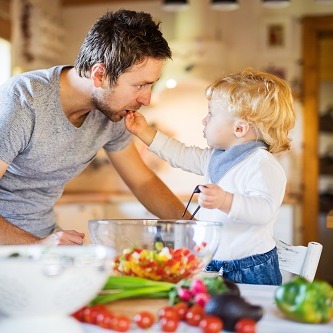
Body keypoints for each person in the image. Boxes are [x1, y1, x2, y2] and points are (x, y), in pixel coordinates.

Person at [0, 9, 192, 246]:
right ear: (100, 75)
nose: (146, 99)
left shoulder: (111, 114)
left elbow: (143, 182)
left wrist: (193, 230)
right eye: (140, 85)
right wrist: (39, 246)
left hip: (46, 239)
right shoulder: (22, 101)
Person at [125, 68, 296, 285]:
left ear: (240, 128)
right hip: (214, 263)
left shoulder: (262, 164)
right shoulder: (216, 158)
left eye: (211, 114)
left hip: (250, 269)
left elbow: (263, 210)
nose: (205, 121)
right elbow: (182, 155)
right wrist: (145, 132)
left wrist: (225, 200)